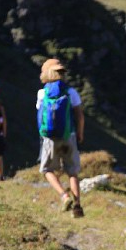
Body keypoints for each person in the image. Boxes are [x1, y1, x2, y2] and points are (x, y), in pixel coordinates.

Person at [36, 58, 85, 218]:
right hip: (69, 135)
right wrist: (79, 133)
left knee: (47, 169)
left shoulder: (42, 93)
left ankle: (64, 196)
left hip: (50, 139)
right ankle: (77, 206)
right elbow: (80, 116)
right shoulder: (71, 92)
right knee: (72, 171)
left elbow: (40, 114)